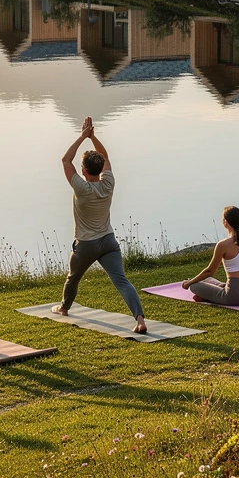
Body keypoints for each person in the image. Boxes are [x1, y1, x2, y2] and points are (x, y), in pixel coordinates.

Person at [54, 116, 147, 333]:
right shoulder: (108, 183)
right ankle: (140, 320)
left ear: (84, 171)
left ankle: (64, 308)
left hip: (85, 245)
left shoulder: (82, 188)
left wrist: (82, 137)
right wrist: (93, 137)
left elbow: (65, 161)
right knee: (122, 282)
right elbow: (105, 158)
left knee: (73, 278)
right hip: (108, 241)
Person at [181, 206, 239, 305]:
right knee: (208, 280)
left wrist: (188, 283)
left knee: (194, 286)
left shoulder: (223, 245)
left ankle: (208, 297)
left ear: (225, 222)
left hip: (236, 296)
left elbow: (209, 271)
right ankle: (212, 293)